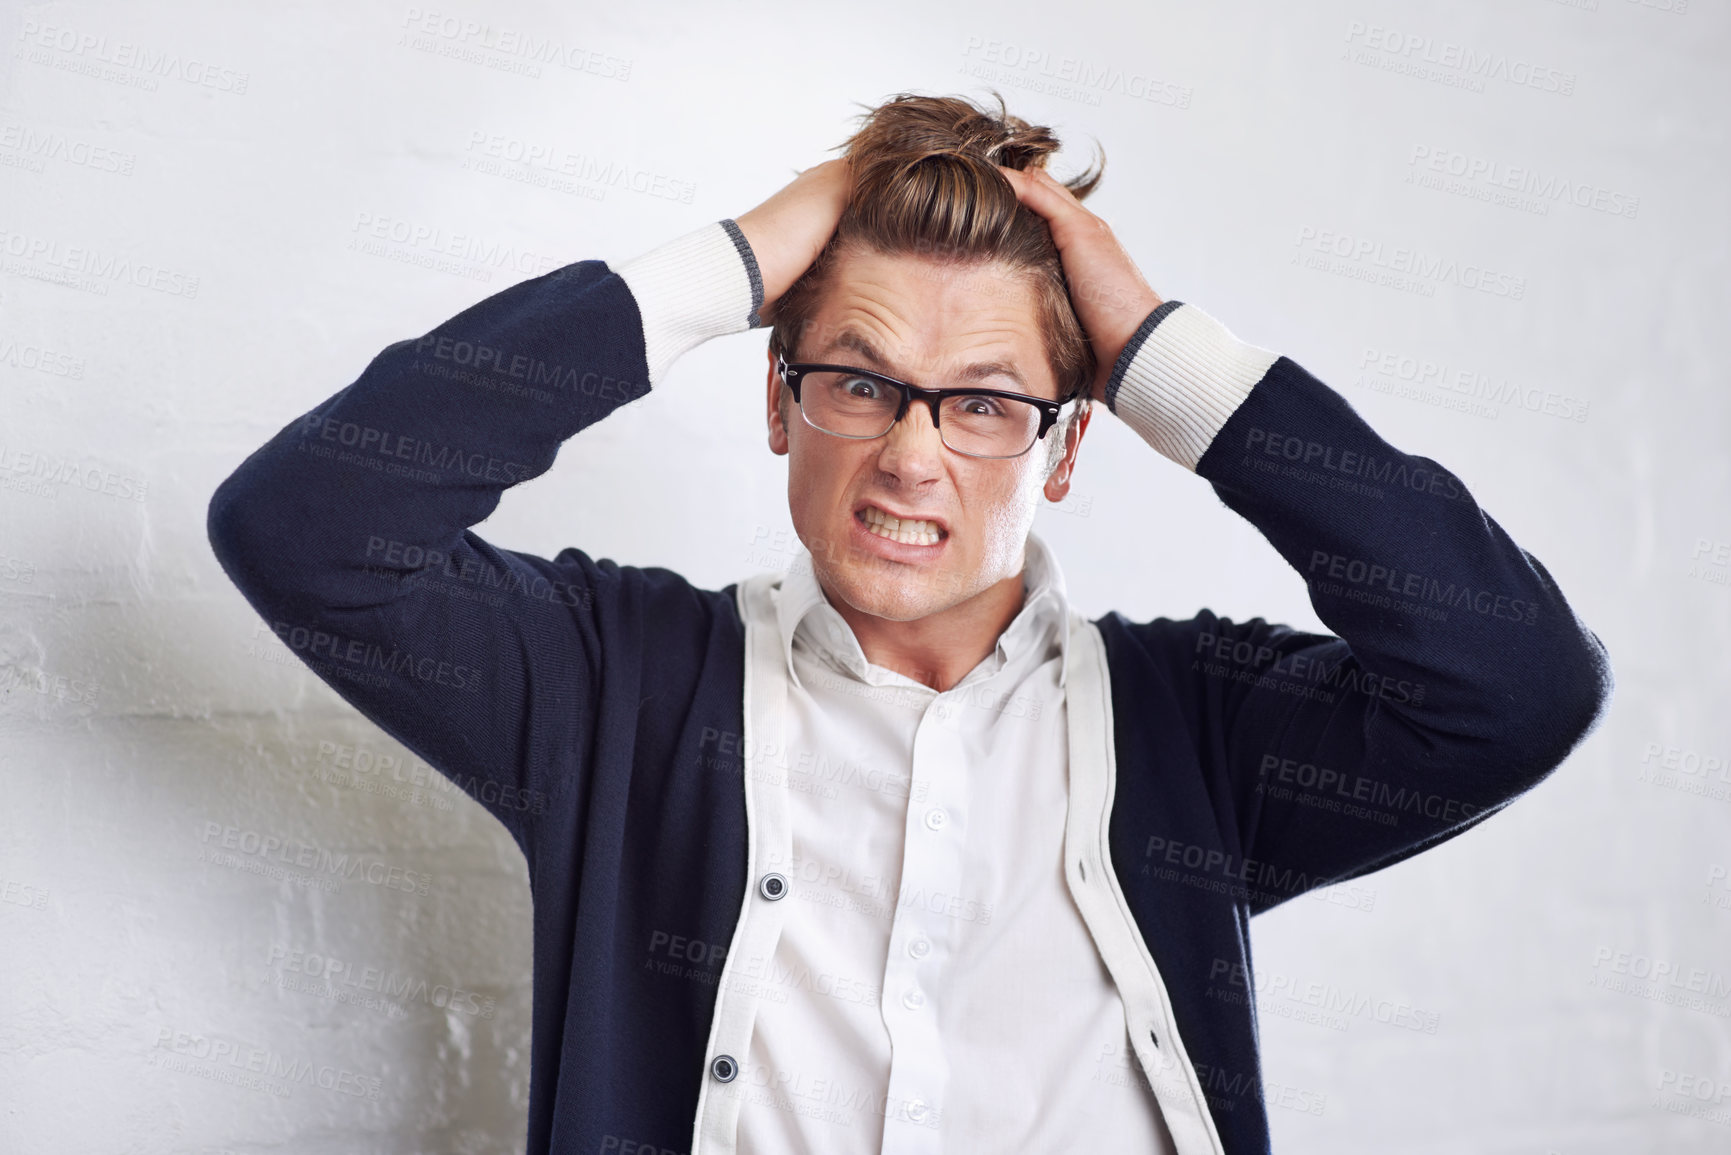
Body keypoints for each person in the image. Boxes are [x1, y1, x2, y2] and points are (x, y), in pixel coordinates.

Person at [207, 91, 1613, 1155]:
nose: (912, 456)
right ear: (779, 402)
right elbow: (306, 526)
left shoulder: (1195, 727)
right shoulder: (612, 690)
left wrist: (1160, 355)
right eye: (860, 382)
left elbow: (1518, 683)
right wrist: (742, 261)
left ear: (1066, 450)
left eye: (988, 402)